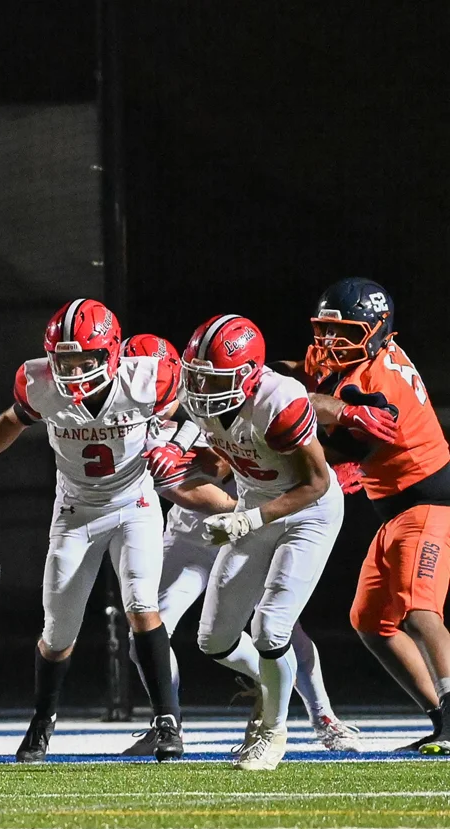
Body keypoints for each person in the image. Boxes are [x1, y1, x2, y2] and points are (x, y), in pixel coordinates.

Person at [130, 335, 356, 754]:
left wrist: (345, 409)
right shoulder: (142, 414)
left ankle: (310, 717)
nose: (139, 386)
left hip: (268, 511)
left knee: (274, 627)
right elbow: (207, 468)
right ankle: (169, 721)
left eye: (148, 376)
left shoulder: (248, 397)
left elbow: (296, 407)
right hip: (204, 526)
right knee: (188, 634)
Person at [0, 299, 182, 763]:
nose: (72, 370)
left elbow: (187, 411)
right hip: (75, 512)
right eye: (64, 359)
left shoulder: (147, 376)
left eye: (83, 359)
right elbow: (13, 420)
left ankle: (167, 721)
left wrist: (171, 441)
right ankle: (43, 720)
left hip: (135, 503)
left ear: (111, 353)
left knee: (141, 604)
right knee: (57, 632)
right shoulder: (39, 382)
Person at [181, 314, 343, 770]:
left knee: (270, 627)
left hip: (308, 513)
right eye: (199, 378)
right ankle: (273, 681)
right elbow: (229, 456)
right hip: (257, 508)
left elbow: (315, 483)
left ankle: (272, 732)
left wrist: (246, 519)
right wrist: (181, 463)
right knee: (213, 640)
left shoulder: (280, 402)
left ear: (249, 374)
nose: (202, 390)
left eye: (215, 379)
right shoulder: (206, 401)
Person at [298, 279, 450, 754]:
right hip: (396, 509)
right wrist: (257, 378)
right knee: (371, 623)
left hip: (427, 504)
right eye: (326, 330)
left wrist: (284, 425)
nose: (330, 343)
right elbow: (301, 384)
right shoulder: (361, 362)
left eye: (344, 333)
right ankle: (441, 716)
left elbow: (333, 445)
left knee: (420, 610)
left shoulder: (377, 386)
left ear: (378, 331)